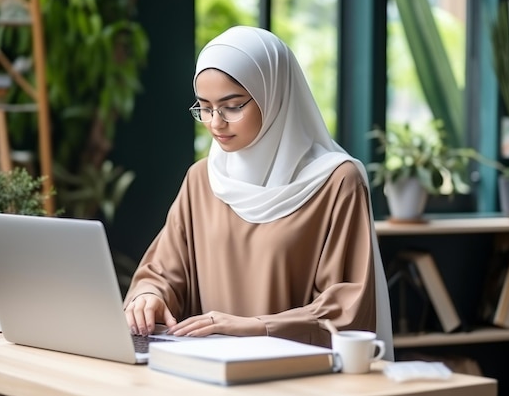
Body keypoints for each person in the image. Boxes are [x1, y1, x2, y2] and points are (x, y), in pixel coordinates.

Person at [123, 25, 393, 359]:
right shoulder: (202, 179)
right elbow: (162, 272)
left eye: (232, 106)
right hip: (205, 373)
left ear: (275, 95)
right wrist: (149, 296)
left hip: (295, 377)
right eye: (204, 108)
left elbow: (348, 306)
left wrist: (256, 326)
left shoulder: (336, 182)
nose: (215, 123)